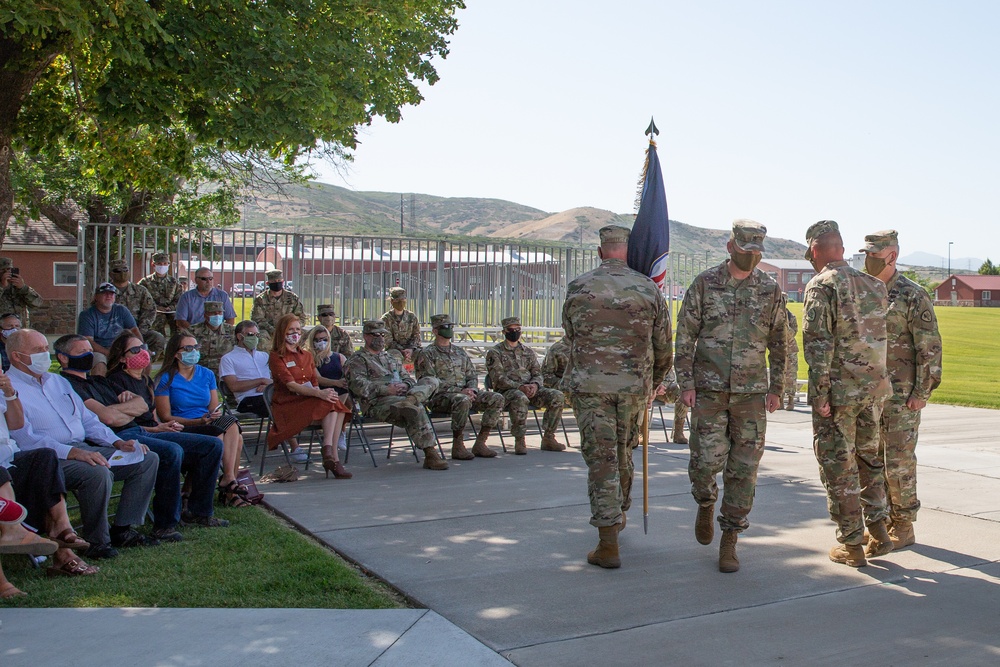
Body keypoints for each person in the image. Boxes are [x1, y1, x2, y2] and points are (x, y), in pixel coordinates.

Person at [674, 219, 788, 573]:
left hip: (752, 395)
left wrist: (778, 387)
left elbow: (780, 342)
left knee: (744, 470)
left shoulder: (769, 290)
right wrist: (686, 382)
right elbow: (684, 335)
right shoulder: (705, 284)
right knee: (705, 462)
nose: (751, 258)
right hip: (708, 391)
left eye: (757, 252)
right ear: (730, 247)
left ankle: (730, 537)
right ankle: (706, 502)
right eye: (745, 251)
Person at [562, 225, 672, 569]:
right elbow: (663, 344)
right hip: (632, 387)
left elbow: (570, 333)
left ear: (600, 252)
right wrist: (653, 381)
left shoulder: (579, 286)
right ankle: (618, 511)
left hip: (591, 386)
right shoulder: (647, 288)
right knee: (623, 452)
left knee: (601, 459)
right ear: (629, 251)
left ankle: (608, 540)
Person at [6, 329, 159, 561]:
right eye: (38, 351)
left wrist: (116, 441)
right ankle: (97, 541)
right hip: (47, 458)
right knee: (96, 472)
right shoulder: (9, 389)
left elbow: (88, 420)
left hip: (80, 445)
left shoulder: (58, 382)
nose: (45, 355)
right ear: (17, 356)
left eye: (46, 349)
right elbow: (25, 438)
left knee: (146, 459)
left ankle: (123, 528)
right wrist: (73, 453)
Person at [802, 220, 893, 568]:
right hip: (873, 393)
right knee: (869, 462)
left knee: (838, 467)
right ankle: (879, 531)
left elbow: (818, 346)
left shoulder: (821, 285)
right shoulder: (873, 284)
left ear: (815, 250)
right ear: (841, 248)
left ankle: (852, 544)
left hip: (840, 395)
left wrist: (820, 394)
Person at [860, 229, 943, 550]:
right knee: (870, 462)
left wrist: (922, 391)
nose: (868, 260)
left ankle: (904, 525)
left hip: (901, 397)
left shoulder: (912, 295)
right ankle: (878, 523)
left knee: (899, 462)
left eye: (874, 255)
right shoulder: (863, 291)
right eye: (865, 254)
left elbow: (930, 348)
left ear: (892, 256)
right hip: (867, 396)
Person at [105, 333, 228, 528]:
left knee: (213, 444)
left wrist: (162, 426)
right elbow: (121, 424)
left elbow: (152, 417)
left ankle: (199, 512)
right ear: (121, 357)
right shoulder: (114, 382)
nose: (143, 353)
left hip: (154, 430)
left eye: (143, 347)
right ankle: (166, 526)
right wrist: (156, 429)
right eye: (135, 350)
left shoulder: (145, 381)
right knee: (173, 450)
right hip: (132, 434)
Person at [1, 368, 96, 582]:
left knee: (45, 458)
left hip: (9, 458)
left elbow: (15, 424)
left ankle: (62, 526)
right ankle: (62, 550)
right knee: (40, 479)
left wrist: (8, 392)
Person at [154, 333, 247, 507]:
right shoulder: (166, 378)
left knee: (231, 425)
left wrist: (212, 416)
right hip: (182, 425)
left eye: (196, 347)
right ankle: (224, 486)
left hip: (207, 422)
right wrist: (197, 422)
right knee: (221, 438)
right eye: (188, 348)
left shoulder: (206, 374)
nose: (194, 352)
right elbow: (166, 416)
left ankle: (228, 480)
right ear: (176, 353)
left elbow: (213, 406)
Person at [345, 320, 447, 471]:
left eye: (382, 334)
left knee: (431, 380)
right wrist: (387, 389)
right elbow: (359, 387)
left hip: (403, 397)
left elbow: (408, 378)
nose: (380, 338)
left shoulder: (390, 358)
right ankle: (431, 454)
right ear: (366, 336)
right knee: (417, 408)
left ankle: (410, 401)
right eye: (375, 335)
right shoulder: (357, 360)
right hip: (378, 402)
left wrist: (405, 385)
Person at [266, 314, 351, 478]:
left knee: (336, 405)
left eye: (298, 329)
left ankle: (330, 453)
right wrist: (320, 393)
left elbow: (314, 381)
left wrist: (322, 393)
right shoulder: (276, 356)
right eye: (290, 330)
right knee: (333, 404)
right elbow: (290, 384)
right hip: (289, 402)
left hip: (310, 399)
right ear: (282, 332)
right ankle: (332, 456)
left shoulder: (306, 355)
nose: (295, 333)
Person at [416, 314, 504, 460]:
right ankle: (458, 445)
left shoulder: (459, 352)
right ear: (435, 331)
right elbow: (429, 382)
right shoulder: (427, 354)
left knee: (496, 398)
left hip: (466, 394)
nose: (449, 330)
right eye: (445, 327)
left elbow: (472, 375)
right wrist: (460, 391)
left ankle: (481, 442)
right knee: (462, 400)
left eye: (451, 327)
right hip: (440, 398)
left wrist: (472, 390)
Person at [485, 316, 565, 455]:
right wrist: (519, 387)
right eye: (511, 329)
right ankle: (519, 439)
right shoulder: (495, 352)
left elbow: (538, 373)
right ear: (504, 332)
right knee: (519, 397)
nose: (515, 332)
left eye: (518, 329)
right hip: (508, 392)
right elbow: (498, 378)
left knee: (556, 396)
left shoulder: (527, 351)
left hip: (531, 390)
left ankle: (549, 437)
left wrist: (534, 385)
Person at [77, 282, 141, 376]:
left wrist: (141, 347)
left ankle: (145, 387)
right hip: (98, 350)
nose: (109, 296)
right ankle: (100, 389)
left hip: (122, 348)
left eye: (111, 293)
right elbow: (88, 341)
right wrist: (109, 354)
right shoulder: (87, 315)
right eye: (104, 293)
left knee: (144, 358)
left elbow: (134, 330)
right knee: (99, 363)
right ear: (96, 297)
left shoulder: (121, 310)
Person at [109, 258, 165, 361]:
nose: (122, 273)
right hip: (112, 333)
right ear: (111, 273)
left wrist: (140, 330)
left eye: (125, 270)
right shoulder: (106, 292)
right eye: (118, 271)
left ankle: (143, 365)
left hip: (138, 331)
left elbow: (150, 311)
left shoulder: (140, 290)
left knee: (158, 338)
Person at [303, 325, 348, 453]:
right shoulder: (309, 357)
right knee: (335, 398)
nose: (320, 343)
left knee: (346, 392)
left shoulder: (339, 357)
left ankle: (338, 435)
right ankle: (333, 442)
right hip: (321, 392)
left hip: (341, 392)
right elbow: (317, 378)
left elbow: (348, 374)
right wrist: (336, 383)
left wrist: (343, 382)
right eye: (316, 340)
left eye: (323, 339)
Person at [219, 320, 272, 418]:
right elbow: (234, 386)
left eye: (257, 335)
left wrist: (268, 387)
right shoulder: (228, 359)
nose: (255, 338)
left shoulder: (264, 356)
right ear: (240, 336)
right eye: (251, 334)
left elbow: (276, 380)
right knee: (278, 405)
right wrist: (261, 380)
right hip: (248, 400)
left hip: (269, 395)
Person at [251, 270, 304, 349]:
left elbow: (301, 317)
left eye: (279, 281)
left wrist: (290, 329)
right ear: (268, 283)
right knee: (262, 339)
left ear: (282, 281)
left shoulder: (292, 298)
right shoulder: (260, 299)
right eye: (274, 281)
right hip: (269, 333)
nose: (277, 283)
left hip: (290, 331)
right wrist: (274, 331)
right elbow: (257, 319)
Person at [138, 252, 184, 338]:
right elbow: (140, 299)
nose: (162, 266)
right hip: (153, 312)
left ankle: (176, 345)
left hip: (171, 312)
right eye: (159, 264)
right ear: (153, 265)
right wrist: (157, 308)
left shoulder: (174, 282)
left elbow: (179, 298)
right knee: (158, 323)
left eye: (165, 263)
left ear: (168, 264)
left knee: (178, 324)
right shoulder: (145, 282)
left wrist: (170, 308)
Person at [189, 301, 234, 374]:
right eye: (213, 313)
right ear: (205, 315)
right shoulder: (192, 331)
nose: (217, 315)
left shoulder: (232, 331)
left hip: (226, 372)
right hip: (200, 372)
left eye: (220, 312)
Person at [381, 287, 421, 364]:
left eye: (403, 300)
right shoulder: (386, 319)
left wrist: (410, 349)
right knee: (395, 357)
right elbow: (388, 340)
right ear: (392, 301)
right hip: (394, 350)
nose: (401, 303)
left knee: (423, 355)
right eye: (398, 300)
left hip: (411, 349)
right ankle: (397, 376)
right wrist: (402, 351)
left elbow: (416, 336)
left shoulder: (411, 317)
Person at [0, 257, 43, 327]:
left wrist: (23, 288)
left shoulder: (18, 286)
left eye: (8, 269)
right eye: (2, 270)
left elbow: (38, 303)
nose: (6, 272)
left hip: (19, 329)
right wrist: (2, 286)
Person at [541, 334, 572, 407]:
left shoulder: (589, 347)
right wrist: (564, 384)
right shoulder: (557, 349)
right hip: (567, 390)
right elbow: (546, 376)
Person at [784, 308, 799, 411]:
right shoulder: (775, 314)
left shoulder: (791, 316)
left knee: (791, 375)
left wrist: (785, 325)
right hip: (778, 349)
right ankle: (779, 400)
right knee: (778, 374)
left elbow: (793, 333)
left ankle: (790, 400)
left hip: (791, 349)